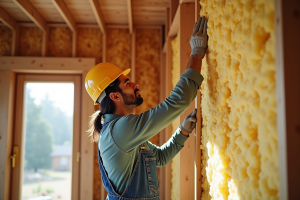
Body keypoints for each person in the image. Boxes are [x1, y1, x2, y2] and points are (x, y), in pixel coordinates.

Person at [85, 16, 208, 200]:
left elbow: (159, 158)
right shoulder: (121, 129)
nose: (134, 83)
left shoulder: (121, 131)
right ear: (115, 96)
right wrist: (197, 53)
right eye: (126, 83)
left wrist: (182, 132)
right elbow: (176, 102)